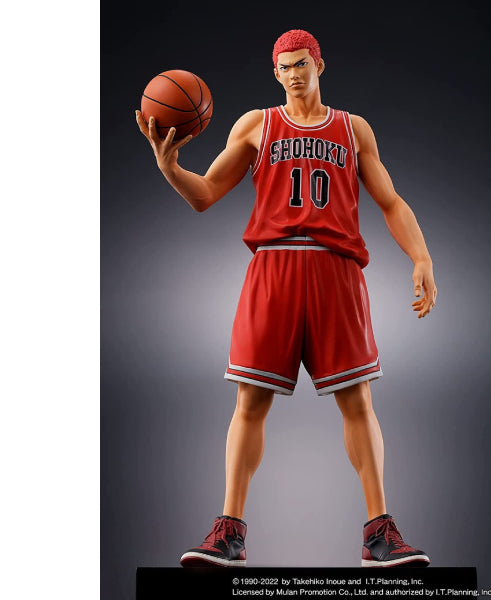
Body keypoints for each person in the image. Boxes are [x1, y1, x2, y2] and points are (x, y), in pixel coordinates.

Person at [136, 29, 437, 569]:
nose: (294, 74)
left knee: (358, 401)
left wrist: (421, 256)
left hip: (335, 270)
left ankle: (379, 533)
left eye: (302, 63)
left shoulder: (353, 128)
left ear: (320, 64)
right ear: (274, 73)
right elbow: (205, 194)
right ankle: (228, 532)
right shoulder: (257, 124)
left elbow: (391, 201)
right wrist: (171, 169)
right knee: (250, 402)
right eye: (285, 66)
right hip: (273, 268)